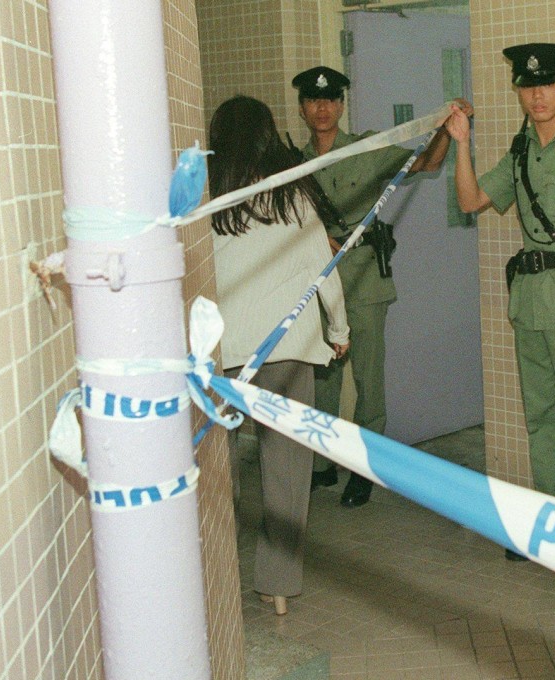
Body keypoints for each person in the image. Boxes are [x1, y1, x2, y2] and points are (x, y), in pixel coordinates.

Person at [445, 43, 555, 557]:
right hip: (530, 301)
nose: (537, 94)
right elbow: (470, 200)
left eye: (548, 83)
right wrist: (461, 144)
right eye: (527, 85)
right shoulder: (520, 153)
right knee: (543, 415)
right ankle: (554, 524)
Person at [292, 65, 473, 508]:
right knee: (323, 378)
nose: (322, 108)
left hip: (364, 278)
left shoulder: (367, 149)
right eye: (314, 100)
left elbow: (427, 162)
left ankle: (364, 469)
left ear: (341, 104)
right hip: (317, 280)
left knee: (368, 380)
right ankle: (322, 464)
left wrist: (446, 131)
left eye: (332, 99)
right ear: (302, 107)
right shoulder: (294, 165)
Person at [209, 95, 350, 615]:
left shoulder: (206, 198)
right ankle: (278, 585)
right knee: (287, 469)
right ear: (270, 136)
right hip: (286, 350)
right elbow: (323, 270)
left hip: (221, 353)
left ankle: (217, 575)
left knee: (217, 468)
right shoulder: (293, 196)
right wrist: (339, 328)